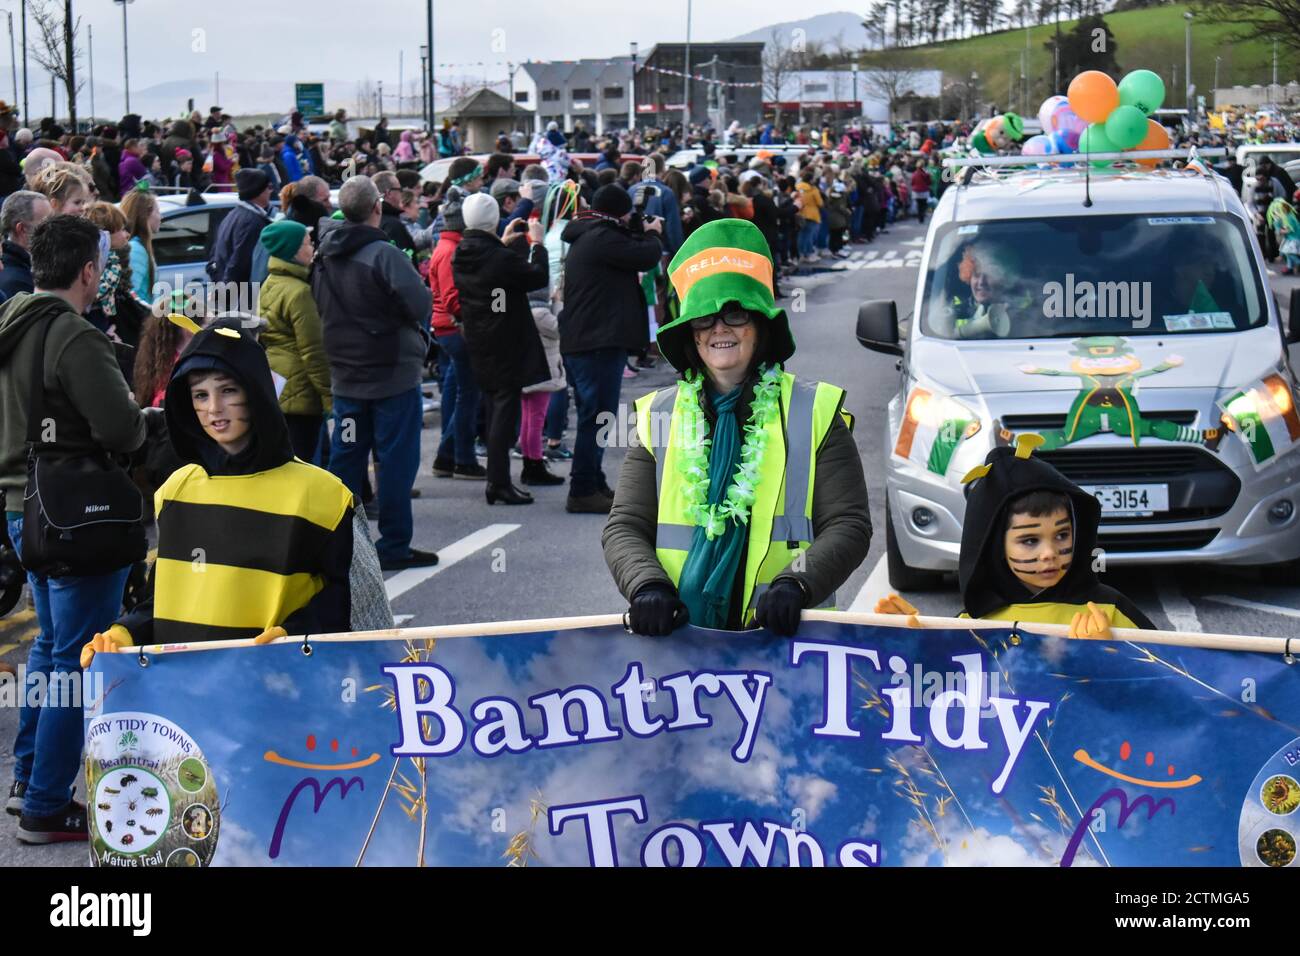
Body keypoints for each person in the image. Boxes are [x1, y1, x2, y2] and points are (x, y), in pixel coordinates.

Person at [603, 218, 870, 635]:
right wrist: (646, 584)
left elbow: (848, 523)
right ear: (690, 334)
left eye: (735, 313)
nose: (718, 329)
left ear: (760, 326)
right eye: (703, 319)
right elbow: (626, 524)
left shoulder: (815, 409)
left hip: (781, 640)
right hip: (681, 638)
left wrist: (798, 582)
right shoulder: (659, 414)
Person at [79, 315, 391, 664]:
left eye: (228, 390)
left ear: (256, 392)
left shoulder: (324, 496)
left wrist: (299, 633)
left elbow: (356, 604)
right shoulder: (175, 491)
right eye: (200, 394)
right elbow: (165, 598)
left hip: (282, 693)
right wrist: (126, 631)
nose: (214, 409)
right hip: (189, 697)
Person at [0, 214, 150, 842]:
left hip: (18, 507)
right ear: (89, 270)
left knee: (49, 647)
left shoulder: (11, 318)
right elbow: (122, 428)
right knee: (76, 659)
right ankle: (43, 804)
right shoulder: (72, 335)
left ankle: (31, 775)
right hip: (70, 512)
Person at [876, 437, 1154, 635]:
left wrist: (1114, 657)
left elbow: (1180, 682)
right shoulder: (974, 624)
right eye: (1030, 540)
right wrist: (912, 641)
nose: (1049, 553)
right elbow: (943, 692)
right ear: (995, 546)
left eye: (1062, 535)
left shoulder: (1110, 611)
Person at [313, 176, 436, 570]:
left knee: (346, 460)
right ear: (378, 208)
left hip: (346, 372)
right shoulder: (384, 253)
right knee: (396, 462)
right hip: (392, 373)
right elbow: (419, 303)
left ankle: (337, 541)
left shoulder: (322, 255)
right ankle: (395, 543)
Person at [558, 184, 664, 514]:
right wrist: (652, 233)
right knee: (597, 416)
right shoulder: (602, 238)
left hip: (588, 340)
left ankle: (591, 479)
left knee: (596, 415)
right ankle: (583, 488)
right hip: (597, 342)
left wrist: (636, 229)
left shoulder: (590, 234)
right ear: (619, 213)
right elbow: (644, 255)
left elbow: (627, 247)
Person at [452, 193, 550, 504]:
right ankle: (498, 482)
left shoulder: (463, 252)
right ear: (493, 220)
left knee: (496, 406)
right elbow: (537, 276)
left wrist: (502, 244)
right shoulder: (497, 257)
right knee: (504, 413)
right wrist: (537, 244)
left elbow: (492, 270)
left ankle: (499, 480)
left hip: (480, 337)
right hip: (506, 338)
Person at [258, 220, 332, 461]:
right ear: (293, 251)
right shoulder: (299, 292)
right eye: (307, 243)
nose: (312, 248)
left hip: (278, 382)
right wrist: (329, 396)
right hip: (302, 389)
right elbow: (313, 351)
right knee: (306, 461)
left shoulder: (270, 283)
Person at [429, 188, 485, 481]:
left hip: (445, 328)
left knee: (460, 394)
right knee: (468, 397)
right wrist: (471, 320)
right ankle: (459, 456)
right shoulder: (452, 251)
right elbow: (453, 297)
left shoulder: (444, 247)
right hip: (455, 328)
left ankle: (449, 455)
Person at [207, 168, 273, 285]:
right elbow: (239, 264)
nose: (270, 191)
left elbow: (214, 257)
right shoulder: (252, 222)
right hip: (242, 296)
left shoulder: (232, 215)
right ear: (258, 191)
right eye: (269, 187)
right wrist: (227, 295)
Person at [0, 190, 51, 301]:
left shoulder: (29, 266)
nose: (53, 230)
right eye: (46, 224)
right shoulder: (16, 282)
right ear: (22, 229)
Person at [120, 189, 160, 304]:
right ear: (145, 215)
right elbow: (132, 297)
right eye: (157, 211)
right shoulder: (136, 250)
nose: (160, 217)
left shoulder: (138, 247)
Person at [373, 170, 417, 258]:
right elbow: (404, 262)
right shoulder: (392, 225)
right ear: (389, 193)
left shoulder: (373, 219)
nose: (402, 194)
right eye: (400, 190)